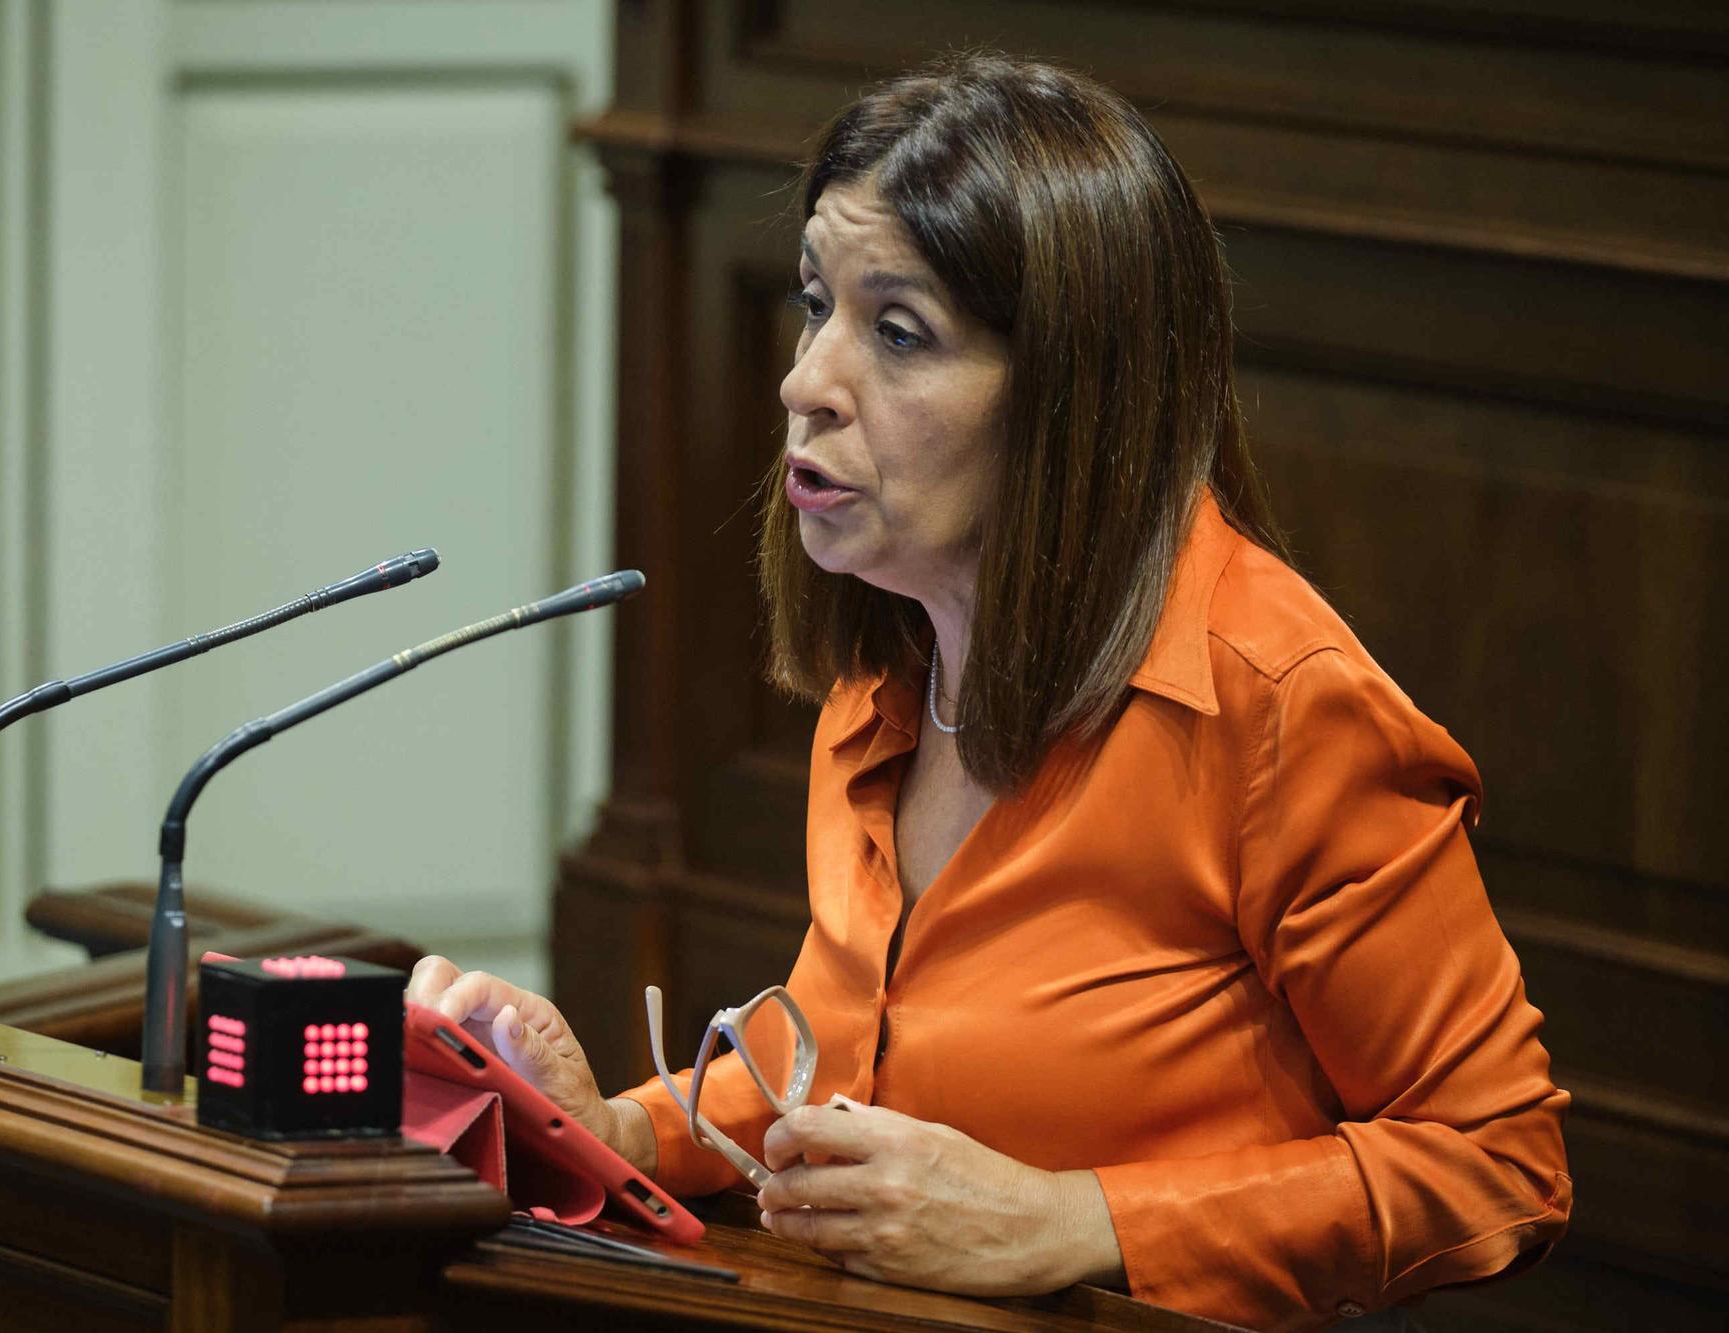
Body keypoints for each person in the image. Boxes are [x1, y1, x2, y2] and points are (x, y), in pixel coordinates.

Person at [407, 53, 1570, 1331]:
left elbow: (1495, 1164)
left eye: (896, 332)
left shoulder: (1280, 707)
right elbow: (847, 1062)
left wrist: (1074, 1220)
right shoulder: (890, 667)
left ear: (1072, 395)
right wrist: (608, 1125)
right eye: (816, 306)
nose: (806, 383)